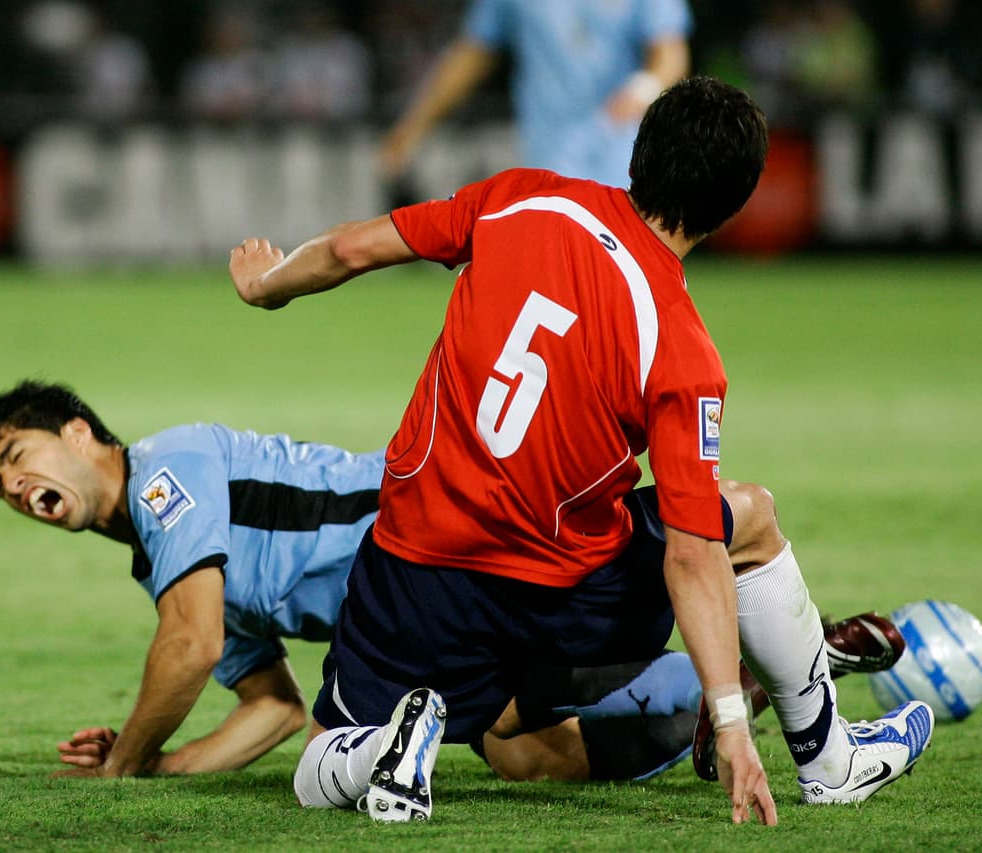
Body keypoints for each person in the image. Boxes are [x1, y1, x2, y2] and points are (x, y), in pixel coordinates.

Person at [229, 76, 934, 825]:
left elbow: (348, 247)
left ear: (640, 151)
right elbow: (693, 552)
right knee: (748, 519)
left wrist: (267, 285)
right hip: (561, 599)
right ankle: (828, 759)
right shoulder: (683, 351)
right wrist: (731, 721)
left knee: (318, 758)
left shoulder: (522, 198)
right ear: (732, 208)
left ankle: (385, 751)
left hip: (416, 567)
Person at [0, 379, 900, 782]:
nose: (16, 486)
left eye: (17, 455)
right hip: (412, 605)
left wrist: (121, 767)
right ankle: (769, 674)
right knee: (521, 751)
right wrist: (156, 764)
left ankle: (755, 614)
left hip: (435, 544)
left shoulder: (168, 469)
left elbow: (189, 646)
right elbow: (273, 708)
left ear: (80, 433)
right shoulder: (164, 557)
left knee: (616, 586)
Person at [379, 0, 692, 188]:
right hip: (549, 149)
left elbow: (671, 53)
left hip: (624, 145)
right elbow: (471, 55)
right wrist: (412, 126)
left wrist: (643, 89)